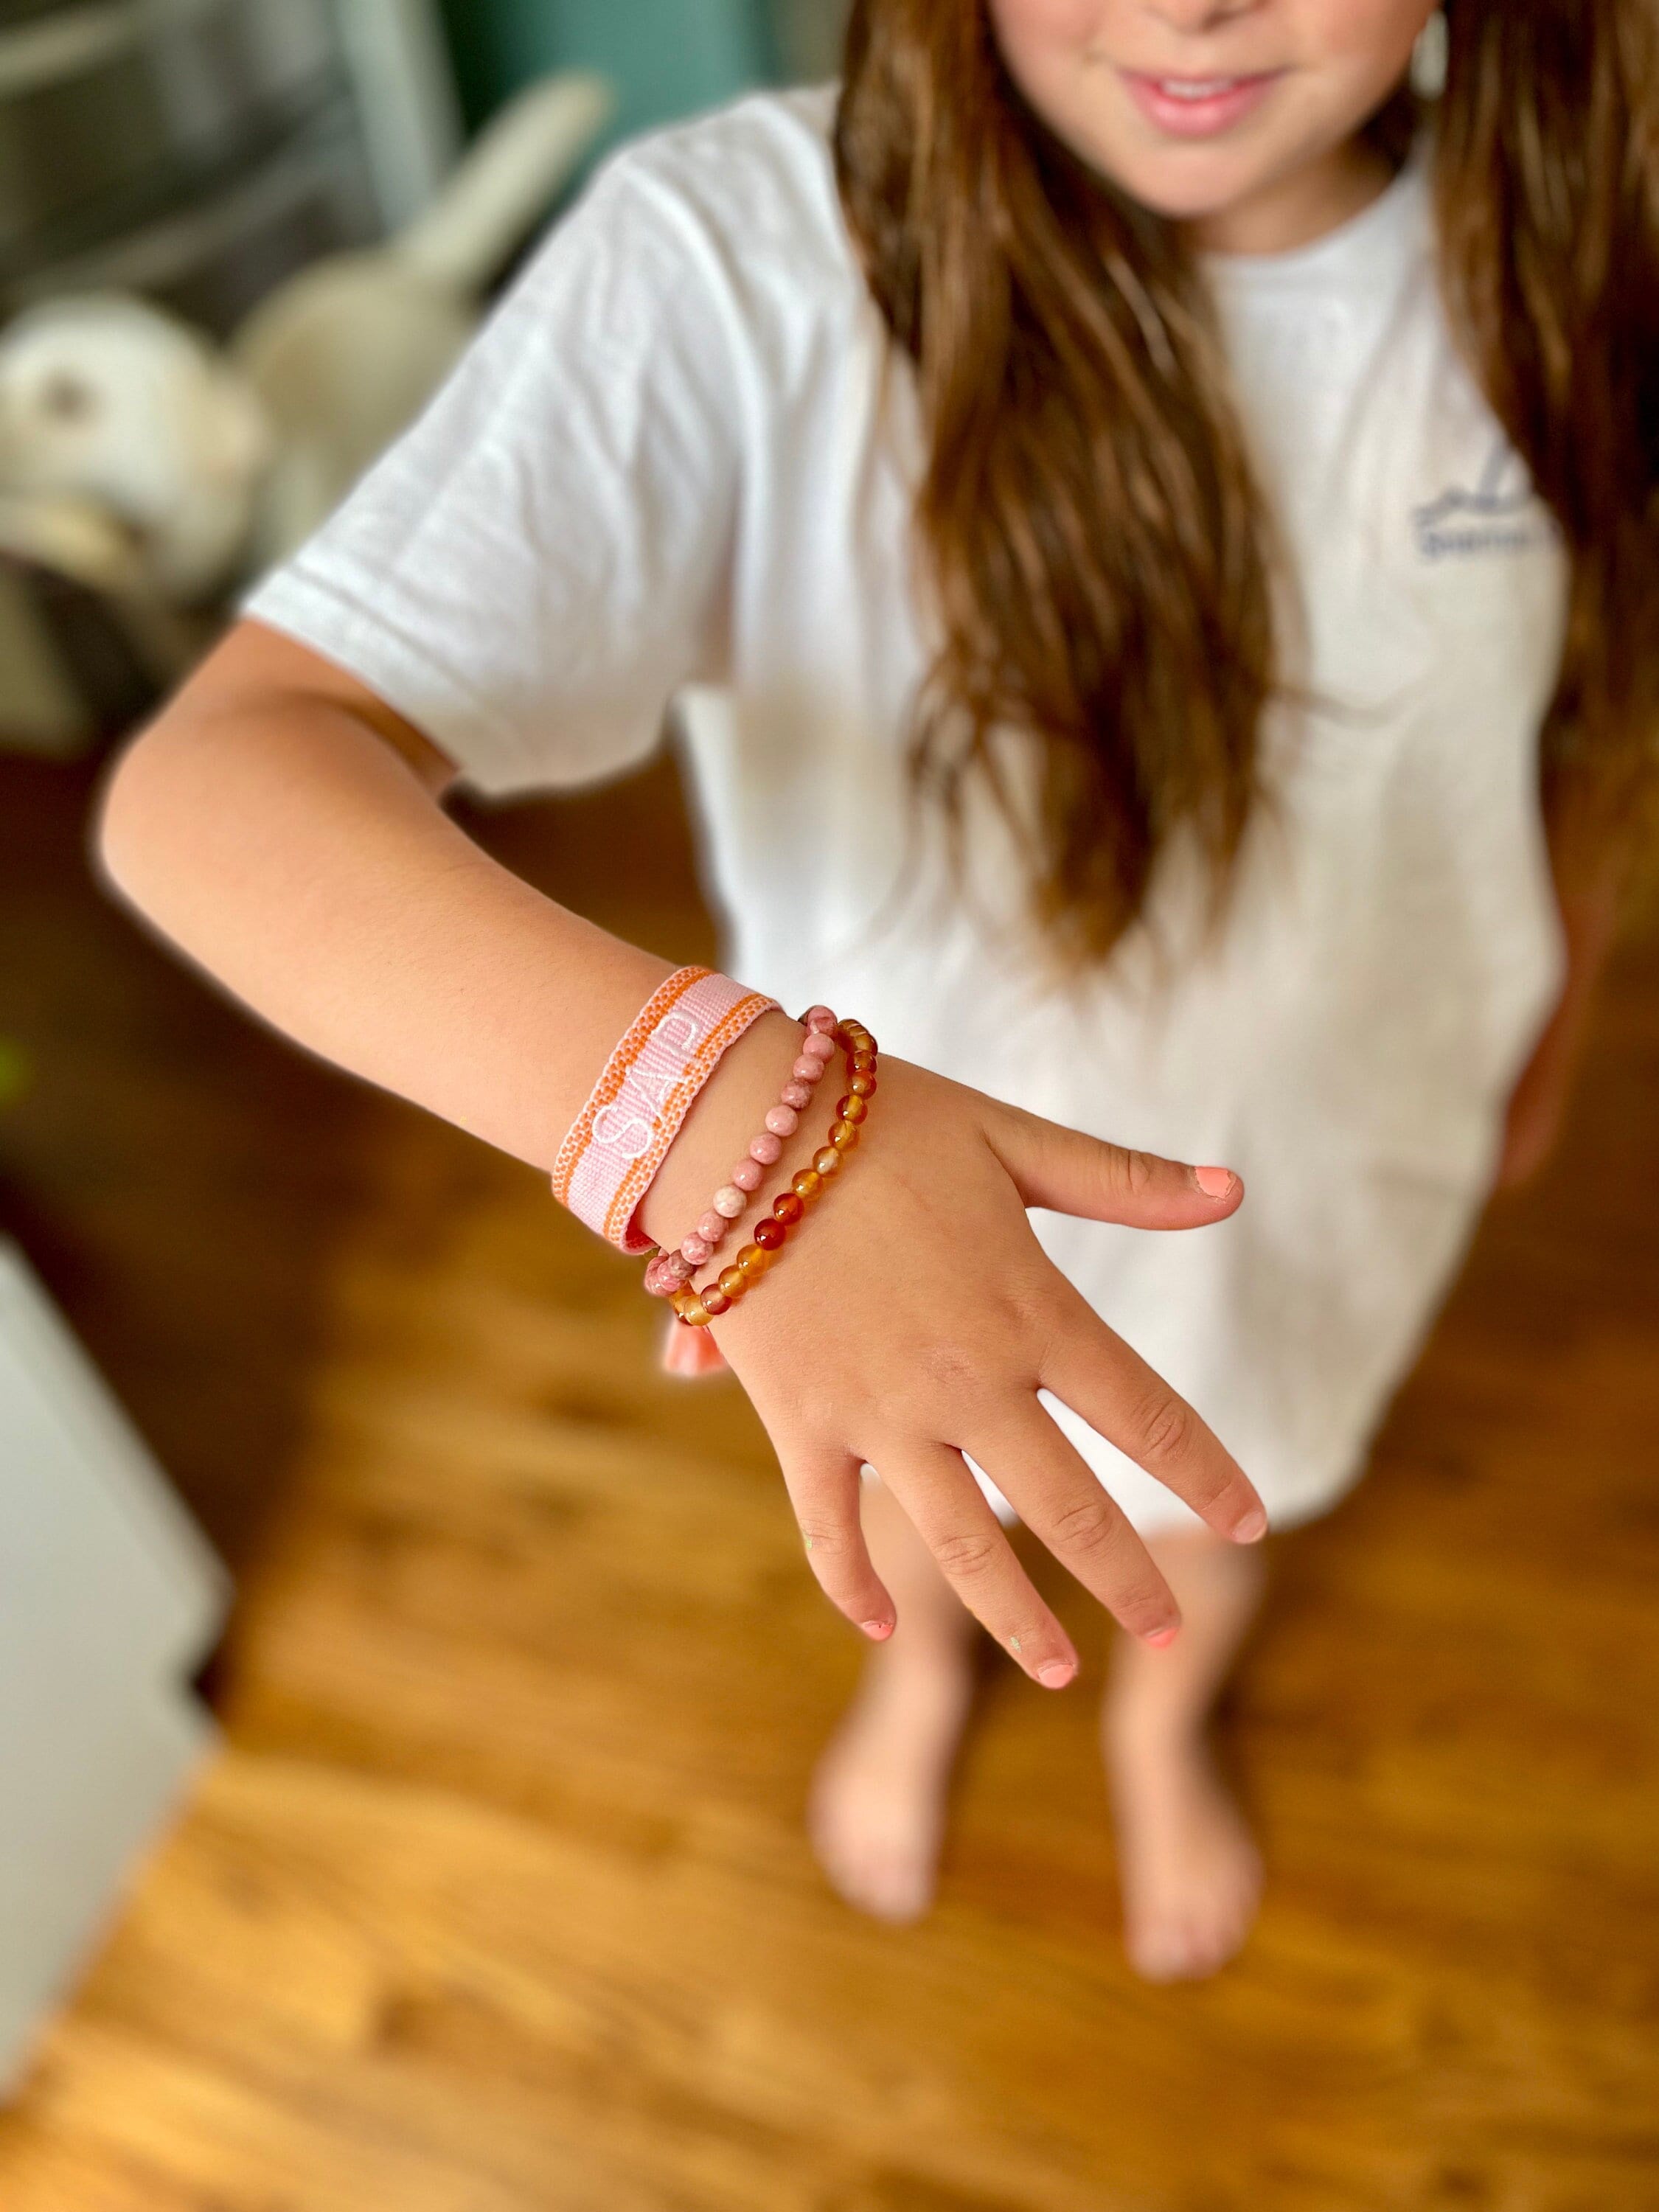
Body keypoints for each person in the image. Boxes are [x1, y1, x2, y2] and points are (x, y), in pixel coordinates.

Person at [97, 0, 1655, 1982]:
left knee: (1219, 1491)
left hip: (1344, 1150)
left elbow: (1571, 710)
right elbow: (220, 786)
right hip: (894, 1212)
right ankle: (918, 1684)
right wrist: (723, 1131)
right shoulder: (746, 262)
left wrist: (1560, 997)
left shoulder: (1573, 241)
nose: (1187, 3)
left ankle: (1158, 1721)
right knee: (933, 1515)